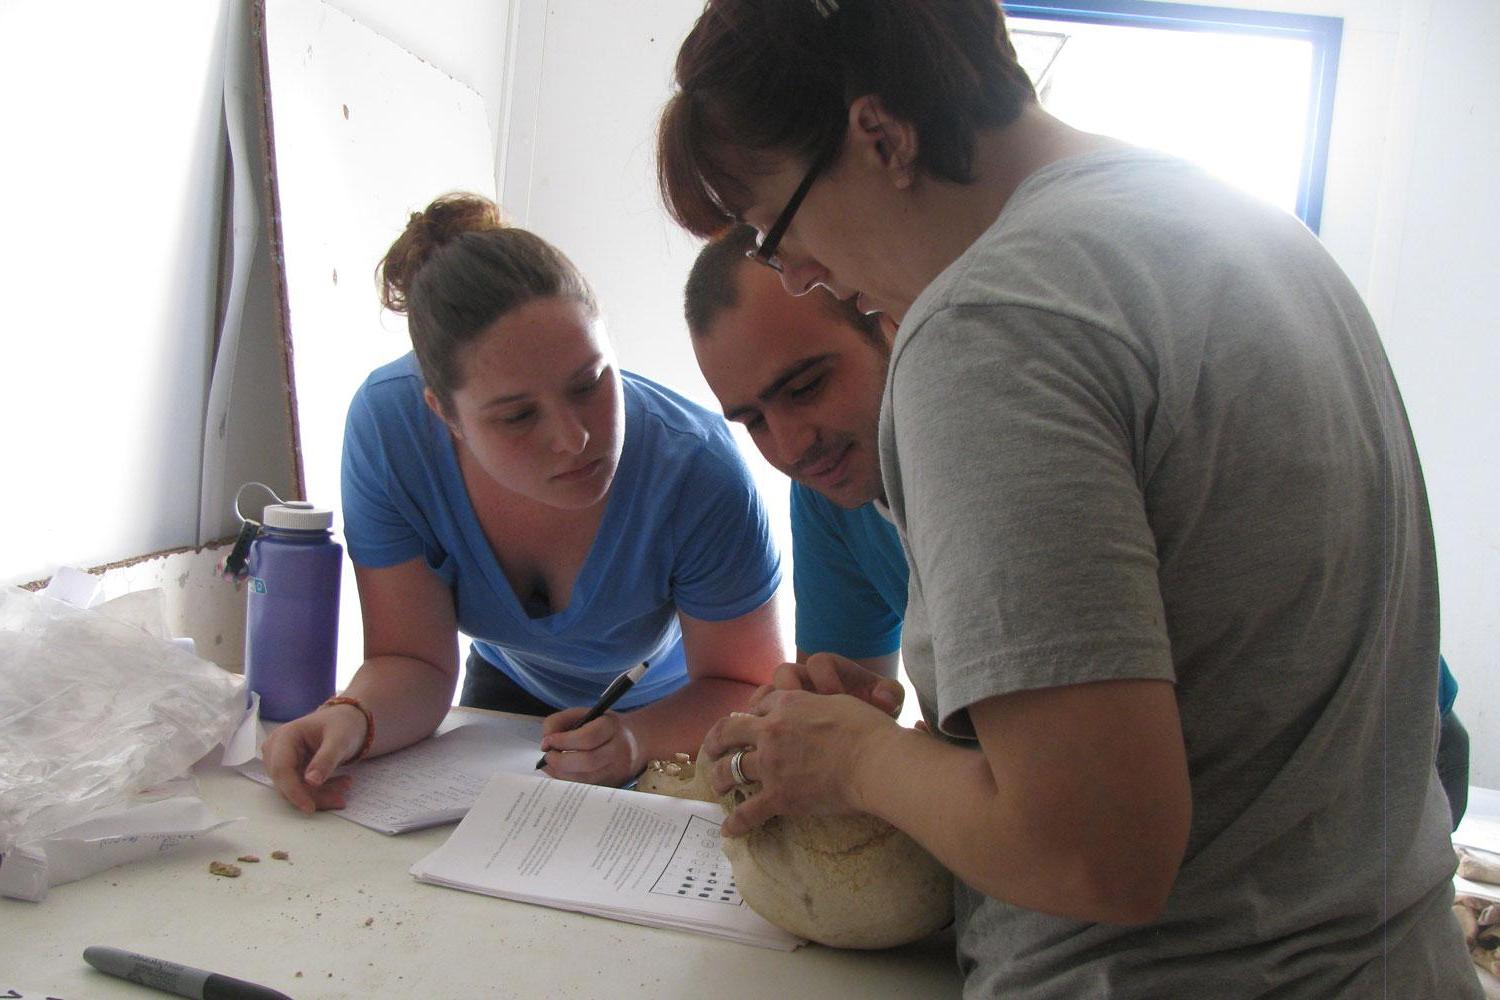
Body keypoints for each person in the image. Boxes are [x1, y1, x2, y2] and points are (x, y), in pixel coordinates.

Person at [655, 2, 1481, 996]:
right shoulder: (1255, 231)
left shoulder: (987, 326)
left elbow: (1096, 851)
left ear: (880, 135)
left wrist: (855, 762)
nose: (799, 271)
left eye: (776, 228)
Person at [261, 192, 785, 807]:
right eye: (516, 417)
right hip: (505, 693)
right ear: (443, 414)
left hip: (674, 710)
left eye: (590, 383)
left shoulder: (696, 467)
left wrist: (635, 739)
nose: (574, 439)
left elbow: (747, 685)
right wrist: (350, 718)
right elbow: (413, 662)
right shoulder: (389, 429)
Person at [686, 226, 904, 683]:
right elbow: (844, 708)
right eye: (755, 421)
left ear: (889, 324)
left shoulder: (1000, 457)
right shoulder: (830, 494)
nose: (792, 448)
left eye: (806, 388)